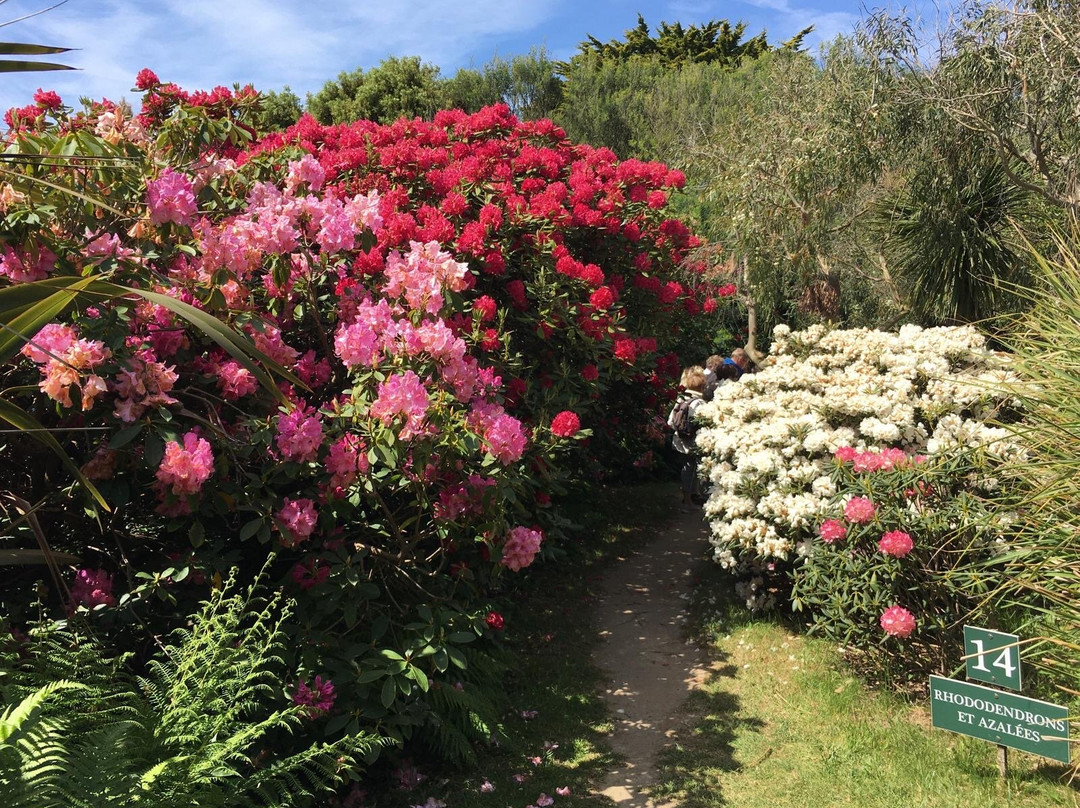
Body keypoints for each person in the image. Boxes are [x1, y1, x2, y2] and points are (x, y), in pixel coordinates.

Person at [669, 365, 707, 508]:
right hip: (693, 441)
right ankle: (688, 500)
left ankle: (690, 496)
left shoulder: (681, 399)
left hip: (680, 440)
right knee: (691, 470)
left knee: (687, 468)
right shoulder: (700, 403)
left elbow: (670, 422)